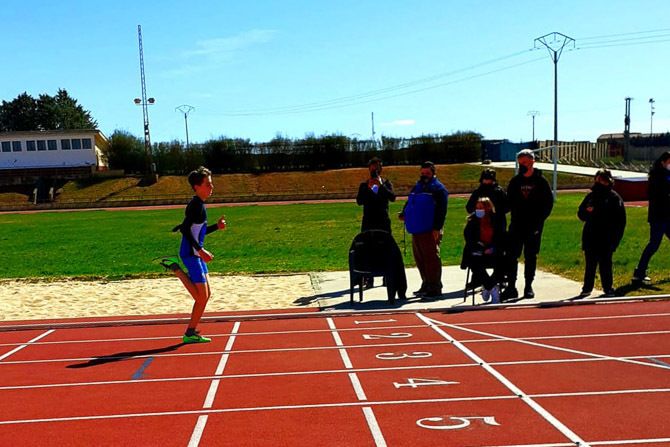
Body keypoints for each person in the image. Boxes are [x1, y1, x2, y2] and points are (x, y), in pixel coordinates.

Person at [159, 167, 227, 344]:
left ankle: (190, 332)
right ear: (197, 187)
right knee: (201, 297)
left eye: (211, 184)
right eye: (208, 184)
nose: (211, 187)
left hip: (196, 253)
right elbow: (185, 230)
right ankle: (175, 267)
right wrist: (201, 251)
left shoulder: (200, 205)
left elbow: (197, 231)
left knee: (206, 295)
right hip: (191, 254)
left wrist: (216, 227)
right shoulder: (195, 205)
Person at [502, 149, 553, 300]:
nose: (522, 166)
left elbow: (548, 204)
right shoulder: (515, 182)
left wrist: (539, 221)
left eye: (524, 162)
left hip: (534, 226)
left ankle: (528, 286)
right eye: (520, 163)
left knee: (531, 256)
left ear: (532, 162)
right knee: (511, 256)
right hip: (516, 225)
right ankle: (511, 286)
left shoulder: (541, 182)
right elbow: (508, 202)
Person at [399, 161, 449, 299]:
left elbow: (442, 210)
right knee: (420, 258)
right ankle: (426, 284)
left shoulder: (438, 189)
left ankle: (434, 287)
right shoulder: (418, 186)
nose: (424, 175)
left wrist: (437, 228)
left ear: (433, 173)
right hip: (417, 228)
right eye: (422, 173)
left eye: (427, 173)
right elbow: (409, 202)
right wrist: (404, 213)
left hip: (430, 229)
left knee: (431, 258)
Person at [577, 169, 626, 298]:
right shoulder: (591, 196)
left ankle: (608, 288)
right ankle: (587, 288)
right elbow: (581, 214)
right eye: (597, 180)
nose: (599, 182)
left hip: (607, 237)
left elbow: (620, 221)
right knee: (590, 264)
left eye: (602, 180)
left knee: (606, 263)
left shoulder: (614, 198)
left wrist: (616, 239)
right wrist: (587, 212)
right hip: (591, 235)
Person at [356, 157, 396, 288]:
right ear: (369, 169)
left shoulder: (386, 183)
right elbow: (359, 201)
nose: (375, 171)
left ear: (381, 169)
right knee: (368, 249)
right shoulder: (364, 185)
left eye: (378, 168)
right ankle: (369, 278)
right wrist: (368, 188)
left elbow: (392, 197)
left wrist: (380, 186)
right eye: (373, 168)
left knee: (386, 248)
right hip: (368, 221)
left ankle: (386, 276)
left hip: (383, 221)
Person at [633, 151, 670, 284]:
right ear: (663, 162)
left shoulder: (666, 175)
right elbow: (658, 195)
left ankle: (640, 272)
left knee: (653, 244)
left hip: (666, 216)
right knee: (654, 244)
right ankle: (639, 272)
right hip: (659, 217)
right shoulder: (657, 176)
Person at [461, 197, 506, 303]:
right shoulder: (472, 220)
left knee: (505, 263)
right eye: (477, 208)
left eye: (481, 208)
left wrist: (493, 247)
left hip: (494, 252)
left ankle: (487, 286)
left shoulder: (497, 220)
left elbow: (501, 237)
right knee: (474, 263)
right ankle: (492, 287)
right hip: (478, 253)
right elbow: (469, 238)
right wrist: (481, 248)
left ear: (488, 208)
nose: (478, 210)